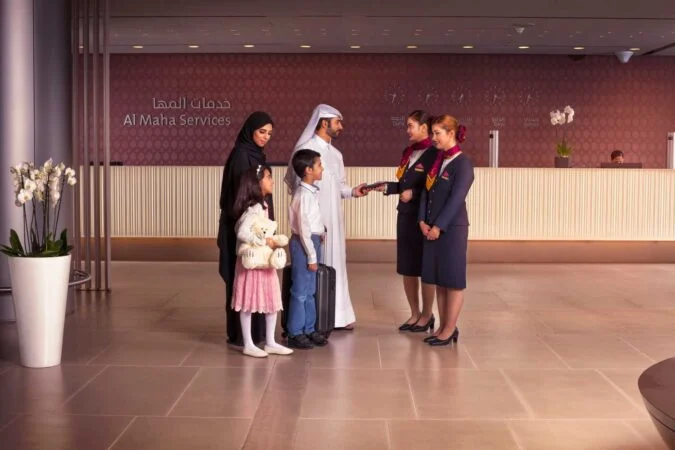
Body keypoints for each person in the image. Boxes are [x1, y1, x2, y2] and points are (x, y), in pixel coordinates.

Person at [284, 104, 368, 330]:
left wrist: (352, 192)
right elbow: (298, 188)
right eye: (337, 122)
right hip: (312, 224)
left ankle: (337, 316)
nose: (341, 126)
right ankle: (311, 321)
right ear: (324, 123)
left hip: (334, 222)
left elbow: (339, 187)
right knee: (311, 269)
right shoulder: (306, 149)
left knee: (336, 264)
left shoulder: (337, 155)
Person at [375, 110, 437, 333]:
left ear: (423, 128)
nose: (407, 130)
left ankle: (427, 314)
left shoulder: (434, 153)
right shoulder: (408, 152)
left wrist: (415, 194)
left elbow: (434, 187)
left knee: (425, 267)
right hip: (405, 215)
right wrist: (389, 188)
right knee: (407, 267)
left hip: (423, 217)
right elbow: (404, 184)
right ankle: (414, 313)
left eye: (411, 125)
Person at [218, 112, 274, 346]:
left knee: (258, 278)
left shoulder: (256, 154)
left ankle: (258, 334)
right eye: (262, 132)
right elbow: (240, 197)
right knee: (243, 279)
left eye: (269, 133)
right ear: (250, 131)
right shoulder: (242, 155)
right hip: (243, 229)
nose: (266, 137)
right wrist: (254, 233)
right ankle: (243, 335)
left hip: (256, 228)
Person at [418, 115, 474, 346]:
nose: (433, 138)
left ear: (451, 134)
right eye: (432, 133)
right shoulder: (438, 161)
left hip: (451, 230)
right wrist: (422, 220)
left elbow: (456, 198)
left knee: (453, 280)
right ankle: (442, 327)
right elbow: (425, 191)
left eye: (437, 133)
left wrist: (439, 226)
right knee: (439, 280)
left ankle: (449, 329)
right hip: (430, 229)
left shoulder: (463, 164)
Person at [231, 165, 293, 358]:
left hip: (264, 263)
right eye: (268, 177)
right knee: (249, 301)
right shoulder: (255, 207)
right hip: (253, 263)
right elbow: (241, 232)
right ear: (257, 183)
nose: (272, 181)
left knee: (271, 300)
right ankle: (249, 343)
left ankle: (270, 341)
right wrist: (262, 241)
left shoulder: (263, 206)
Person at [287, 149, 330, 349]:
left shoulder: (311, 192)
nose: (322, 168)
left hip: (312, 242)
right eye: (319, 165)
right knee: (300, 291)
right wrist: (311, 256)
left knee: (310, 290)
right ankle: (295, 332)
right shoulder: (303, 195)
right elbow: (303, 228)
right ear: (308, 170)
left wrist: (322, 230)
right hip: (304, 246)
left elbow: (312, 221)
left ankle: (309, 328)